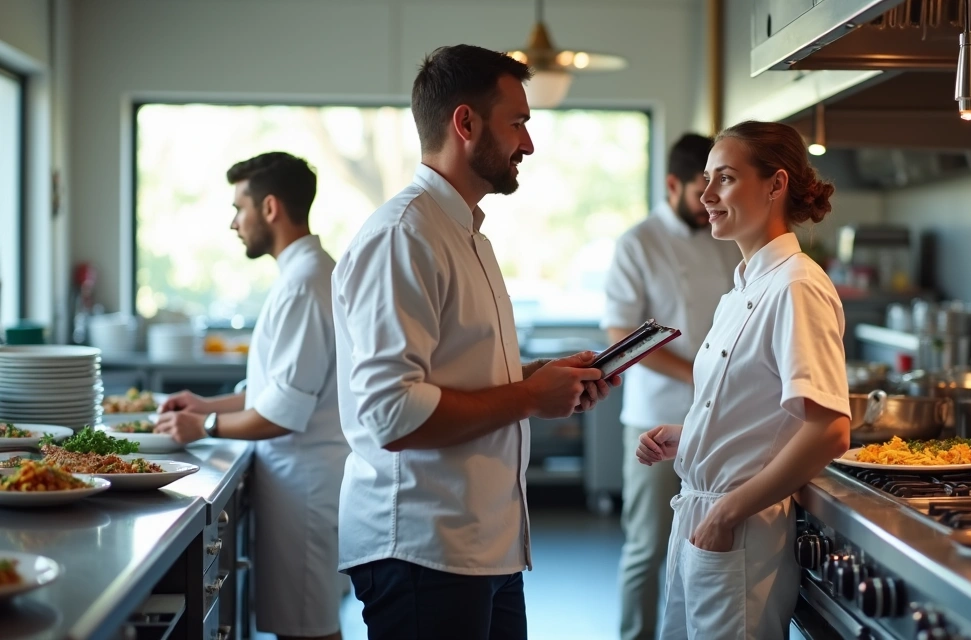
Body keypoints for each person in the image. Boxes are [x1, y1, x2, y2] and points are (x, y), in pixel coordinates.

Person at [331, 44, 618, 640]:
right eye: (519, 124)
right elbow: (392, 414)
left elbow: (458, 372)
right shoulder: (403, 236)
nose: (529, 145)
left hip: (482, 544)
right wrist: (528, 398)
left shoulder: (466, 234)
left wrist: (541, 377)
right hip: (422, 548)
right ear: (466, 123)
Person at [634, 121, 852, 639]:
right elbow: (763, 413)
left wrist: (726, 513)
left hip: (741, 526)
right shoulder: (744, 286)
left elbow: (828, 430)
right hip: (705, 516)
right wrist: (689, 440)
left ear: (775, 185)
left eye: (725, 179)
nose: (706, 195)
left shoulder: (797, 286)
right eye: (706, 179)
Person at [155, 151, 349, 640]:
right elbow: (273, 389)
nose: (233, 223)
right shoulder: (306, 274)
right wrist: (204, 404)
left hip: (304, 488)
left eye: (238, 208)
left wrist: (204, 426)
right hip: (297, 483)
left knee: (309, 631)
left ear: (269, 209)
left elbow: (283, 412)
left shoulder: (305, 284)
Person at [602, 133, 738, 640]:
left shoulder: (722, 238)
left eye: (719, 188)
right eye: (701, 190)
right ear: (672, 184)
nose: (710, 204)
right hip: (654, 418)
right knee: (648, 546)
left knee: (710, 542)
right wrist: (699, 373)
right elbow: (619, 334)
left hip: (719, 420)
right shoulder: (637, 242)